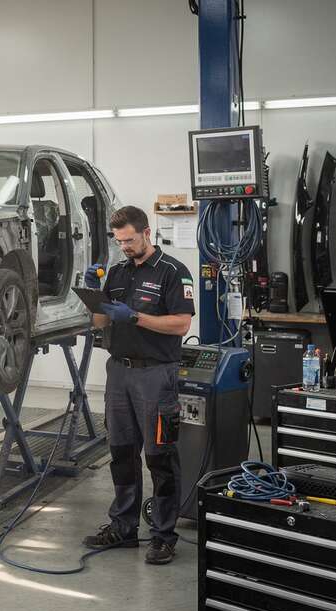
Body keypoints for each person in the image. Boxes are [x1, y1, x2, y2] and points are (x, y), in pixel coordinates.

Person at [83, 205, 196, 565]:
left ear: (146, 232)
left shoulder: (173, 272)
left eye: (129, 240)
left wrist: (134, 317)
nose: (125, 247)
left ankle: (163, 535)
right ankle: (123, 527)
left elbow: (180, 325)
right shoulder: (116, 272)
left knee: (159, 456)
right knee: (121, 453)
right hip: (119, 372)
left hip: (156, 375)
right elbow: (101, 322)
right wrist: (93, 295)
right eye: (119, 241)